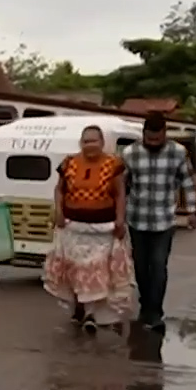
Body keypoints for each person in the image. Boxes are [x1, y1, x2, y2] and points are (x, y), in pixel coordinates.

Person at [42, 125, 135, 333]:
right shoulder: (69, 163)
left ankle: (92, 313)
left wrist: (120, 220)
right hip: (73, 228)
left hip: (103, 230)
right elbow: (59, 190)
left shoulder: (114, 165)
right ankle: (79, 308)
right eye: (86, 141)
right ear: (80, 143)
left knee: (97, 273)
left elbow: (120, 194)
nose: (89, 145)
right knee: (75, 272)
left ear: (102, 143)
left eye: (93, 141)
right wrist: (58, 211)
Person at [123, 112, 196, 332]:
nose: (153, 142)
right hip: (137, 219)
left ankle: (155, 313)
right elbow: (121, 184)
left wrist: (192, 210)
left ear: (165, 134)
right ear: (144, 134)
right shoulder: (130, 153)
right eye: (149, 139)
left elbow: (187, 182)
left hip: (164, 220)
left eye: (157, 139)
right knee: (140, 267)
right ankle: (145, 305)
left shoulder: (177, 153)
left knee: (158, 266)